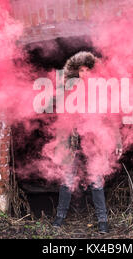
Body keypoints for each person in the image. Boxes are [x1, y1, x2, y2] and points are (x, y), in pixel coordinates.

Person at [51, 51, 122, 234]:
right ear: (76, 73)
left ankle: (103, 222)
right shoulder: (70, 92)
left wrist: (117, 141)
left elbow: (112, 118)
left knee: (96, 181)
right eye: (81, 70)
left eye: (88, 70)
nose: (85, 74)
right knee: (67, 180)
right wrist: (59, 144)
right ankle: (59, 218)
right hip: (72, 142)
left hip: (94, 143)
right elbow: (63, 120)